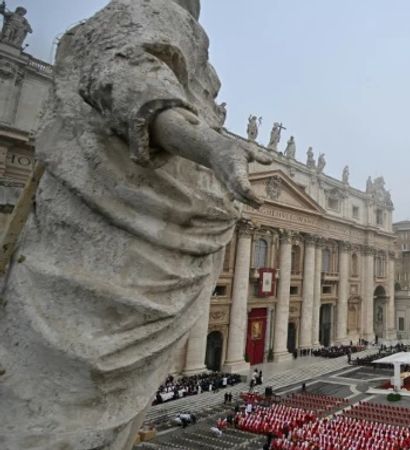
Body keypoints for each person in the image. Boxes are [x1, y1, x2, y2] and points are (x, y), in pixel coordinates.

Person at [0, 1, 272, 447]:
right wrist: (207, 145)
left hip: (164, 229)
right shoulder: (151, 14)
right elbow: (128, 78)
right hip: (119, 225)